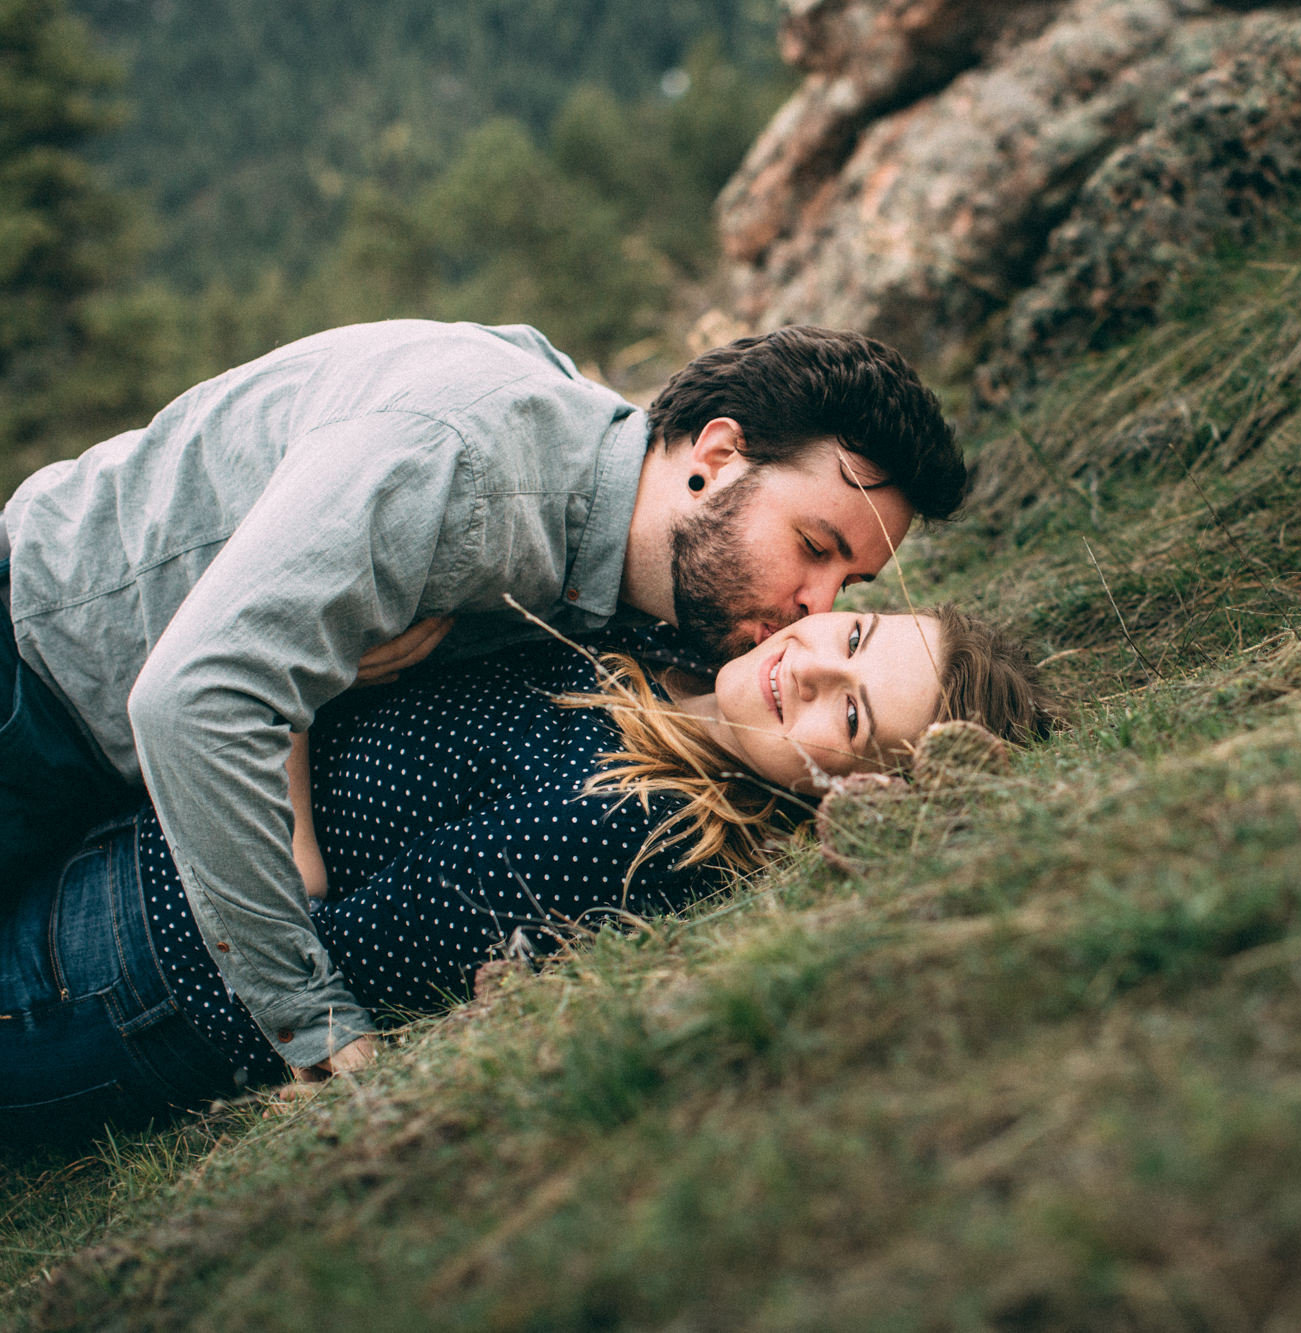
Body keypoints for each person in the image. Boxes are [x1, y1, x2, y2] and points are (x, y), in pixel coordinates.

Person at [0, 320, 963, 1086]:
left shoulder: (607, 497)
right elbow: (192, 703)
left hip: (110, 745)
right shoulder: (459, 471)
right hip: (35, 679)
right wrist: (306, 1015)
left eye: (853, 588)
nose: (817, 607)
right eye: (815, 545)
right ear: (717, 454)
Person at [0, 604, 1055, 1139]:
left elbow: (351, 955)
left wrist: (280, 695)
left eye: (852, 712)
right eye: (857, 633)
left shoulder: (637, 822)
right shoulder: (662, 650)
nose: (814, 662)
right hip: (145, 810)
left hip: (138, 969)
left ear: (845, 792)